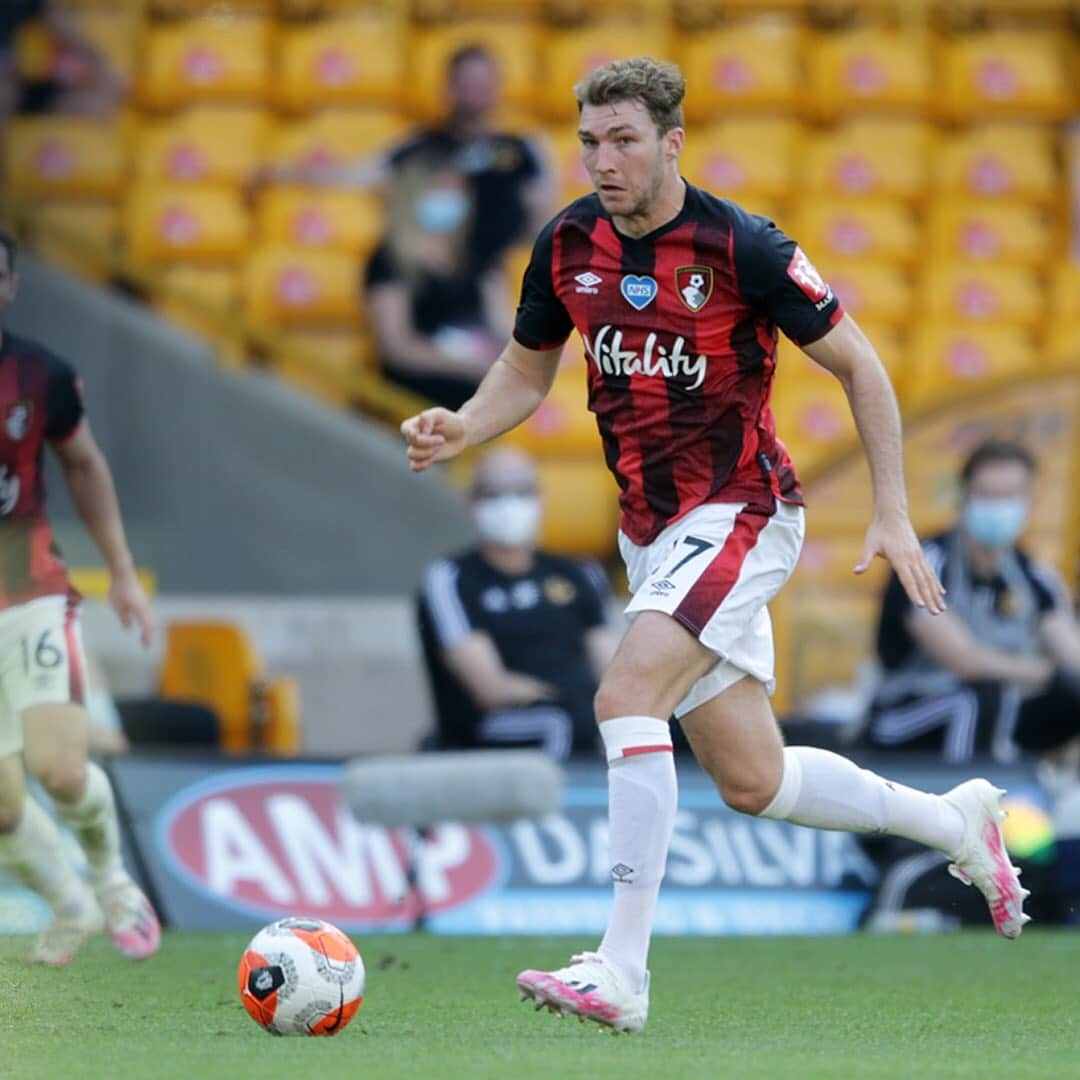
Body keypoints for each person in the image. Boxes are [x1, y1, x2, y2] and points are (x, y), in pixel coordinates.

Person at [400, 58, 1029, 1034]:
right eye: (590, 142)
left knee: (623, 694)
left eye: (624, 141)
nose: (603, 161)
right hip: (650, 536)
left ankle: (621, 972)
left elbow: (862, 369)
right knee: (754, 782)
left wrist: (894, 512)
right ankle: (956, 824)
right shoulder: (567, 241)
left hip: (741, 509)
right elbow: (525, 373)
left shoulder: (745, 247)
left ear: (671, 141)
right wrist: (464, 425)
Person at [0, 230, 160, 966]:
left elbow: (85, 464)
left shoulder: (40, 375)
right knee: (2, 807)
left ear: (10, 286)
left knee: (61, 769)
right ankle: (69, 904)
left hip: (27, 586)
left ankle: (113, 881)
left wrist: (121, 570)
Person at [864, 439, 1080, 765]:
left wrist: (1064, 680)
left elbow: (1068, 650)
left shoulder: (1035, 577)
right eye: (988, 495)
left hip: (997, 708)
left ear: (1030, 501)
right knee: (977, 697)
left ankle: (1049, 796)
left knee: (1069, 697)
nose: (999, 506)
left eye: (1010, 496)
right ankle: (970, 804)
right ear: (964, 497)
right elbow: (965, 661)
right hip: (903, 717)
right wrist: (1046, 674)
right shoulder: (926, 562)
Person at [259, 45, 552, 276]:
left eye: (485, 82)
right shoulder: (420, 146)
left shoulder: (523, 148)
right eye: (469, 82)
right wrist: (284, 173)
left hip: (501, 274)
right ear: (449, 88)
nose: (479, 91)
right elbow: (357, 175)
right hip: (440, 271)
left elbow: (543, 215)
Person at [417, 446, 618, 761]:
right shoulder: (452, 579)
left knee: (664, 724)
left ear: (540, 499)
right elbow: (491, 688)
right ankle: (559, 811)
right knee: (562, 723)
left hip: (578, 709)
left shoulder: (579, 574)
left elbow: (613, 670)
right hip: (489, 727)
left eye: (521, 491)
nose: (509, 504)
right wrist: (568, 699)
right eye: (493, 493)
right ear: (470, 503)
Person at [365, 152, 508, 410]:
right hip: (414, 396)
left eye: (457, 189)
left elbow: (503, 328)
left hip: (477, 397)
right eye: (439, 189)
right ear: (414, 193)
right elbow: (397, 347)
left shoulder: (475, 258)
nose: (450, 197)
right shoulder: (389, 260)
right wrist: (466, 365)